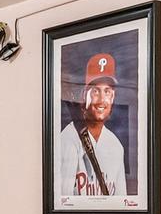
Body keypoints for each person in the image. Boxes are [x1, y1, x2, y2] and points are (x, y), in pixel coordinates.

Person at [54, 51, 126, 197]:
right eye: (95, 91)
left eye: (107, 91)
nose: (101, 99)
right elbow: (62, 206)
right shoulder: (68, 140)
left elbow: (121, 202)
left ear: (113, 97)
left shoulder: (116, 146)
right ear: (84, 95)